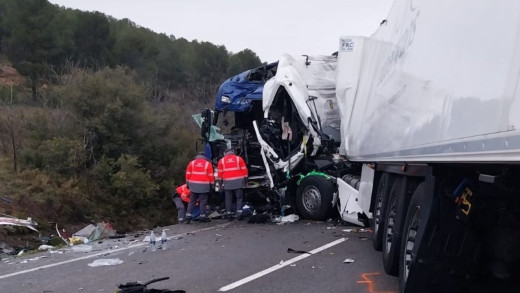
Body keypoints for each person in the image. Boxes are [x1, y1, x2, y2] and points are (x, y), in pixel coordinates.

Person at [218, 148, 248, 220]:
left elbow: (220, 174)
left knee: (228, 199)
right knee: (239, 198)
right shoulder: (239, 159)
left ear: (225, 153)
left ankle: (228, 214)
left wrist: (220, 185)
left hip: (228, 183)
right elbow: (245, 171)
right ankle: (239, 213)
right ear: (233, 152)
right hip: (238, 182)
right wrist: (246, 181)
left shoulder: (221, 161)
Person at [185, 152, 215, 223]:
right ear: (204, 157)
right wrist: (212, 185)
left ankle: (188, 216)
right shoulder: (208, 164)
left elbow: (188, 174)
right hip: (203, 185)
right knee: (203, 201)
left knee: (192, 201)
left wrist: (188, 184)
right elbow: (211, 175)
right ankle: (202, 216)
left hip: (193, 185)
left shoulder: (191, 163)